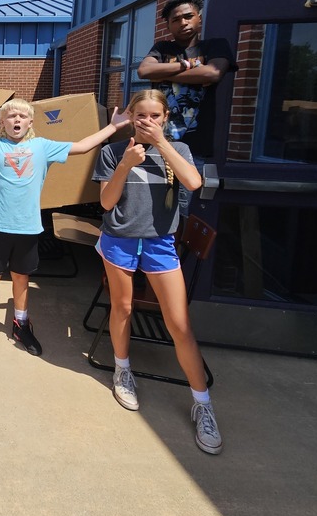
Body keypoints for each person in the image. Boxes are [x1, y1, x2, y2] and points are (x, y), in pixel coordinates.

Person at [0, 87, 130, 356]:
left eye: (22, 116)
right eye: (10, 116)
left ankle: (21, 323)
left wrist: (113, 127)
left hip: (28, 228)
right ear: (2, 123)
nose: (16, 120)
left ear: (30, 122)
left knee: (21, 277)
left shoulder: (43, 146)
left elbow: (84, 146)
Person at [92, 88, 222, 455]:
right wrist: (124, 165)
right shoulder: (113, 151)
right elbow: (105, 202)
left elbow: (195, 183)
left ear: (165, 118)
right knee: (123, 308)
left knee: (179, 324)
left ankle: (203, 404)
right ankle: (122, 371)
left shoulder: (177, 150)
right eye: (141, 116)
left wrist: (162, 143)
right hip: (119, 239)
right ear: (131, 116)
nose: (147, 122)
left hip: (160, 243)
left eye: (155, 116)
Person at [136, 0, 236, 213]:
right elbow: (144, 70)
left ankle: (174, 247)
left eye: (188, 16)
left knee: (182, 209)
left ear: (199, 18)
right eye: (176, 19)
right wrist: (188, 66)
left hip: (194, 146)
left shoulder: (214, 46)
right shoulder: (162, 48)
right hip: (156, 142)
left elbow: (212, 73)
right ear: (169, 26)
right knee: (150, 203)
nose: (183, 22)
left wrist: (164, 74)